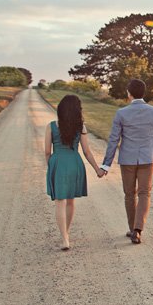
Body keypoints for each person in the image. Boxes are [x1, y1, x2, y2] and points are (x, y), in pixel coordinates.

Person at [100, 78, 153, 244]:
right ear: (144, 93)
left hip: (127, 159)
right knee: (145, 193)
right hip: (147, 159)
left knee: (130, 194)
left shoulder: (121, 113)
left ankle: (133, 229)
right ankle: (138, 229)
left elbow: (113, 140)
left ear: (128, 94)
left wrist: (106, 164)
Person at [45, 94, 104, 251]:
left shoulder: (51, 126)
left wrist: (50, 166)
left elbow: (46, 152)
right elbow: (87, 152)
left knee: (60, 201)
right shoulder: (81, 127)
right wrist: (97, 169)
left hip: (58, 162)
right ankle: (67, 233)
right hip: (74, 163)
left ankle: (64, 238)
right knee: (70, 201)